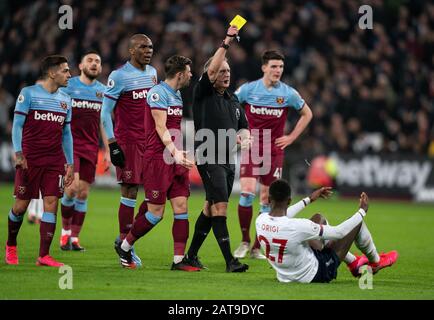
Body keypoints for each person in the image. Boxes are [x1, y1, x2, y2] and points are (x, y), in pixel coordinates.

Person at [115, 55, 199, 271]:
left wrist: (179, 152)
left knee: (181, 207)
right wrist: (174, 151)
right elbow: (161, 127)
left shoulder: (177, 94)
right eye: (189, 72)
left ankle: (179, 261)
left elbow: (172, 128)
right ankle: (125, 246)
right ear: (180, 74)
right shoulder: (157, 93)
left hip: (175, 158)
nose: (191, 75)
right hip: (157, 159)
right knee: (156, 214)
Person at [233, 50, 313, 260]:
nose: (278, 71)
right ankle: (244, 241)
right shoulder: (249, 90)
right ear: (264, 68)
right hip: (252, 146)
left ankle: (257, 247)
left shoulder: (288, 93)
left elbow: (307, 114)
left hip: (274, 149)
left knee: (267, 200)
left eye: (281, 67)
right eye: (274, 66)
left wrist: (292, 137)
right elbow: (229, 106)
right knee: (246, 193)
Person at [184, 25, 251, 273]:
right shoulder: (203, 92)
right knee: (221, 207)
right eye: (221, 71)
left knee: (210, 208)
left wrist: (244, 138)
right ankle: (229, 262)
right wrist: (227, 41)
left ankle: (191, 255)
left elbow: (244, 127)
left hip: (227, 159)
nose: (225, 74)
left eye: (228, 71)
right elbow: (212, 68)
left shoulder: (233, 100)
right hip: (208, 156)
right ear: (211, 75)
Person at [256, 179, 399, 283]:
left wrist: (309, 199)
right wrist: (362, 211)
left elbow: (284, 216)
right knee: (356, 224)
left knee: (318, 218)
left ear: (269, 199)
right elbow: (339, 233)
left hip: (285, 275)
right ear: (289, 201)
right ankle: (376, 262)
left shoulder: (260, 220)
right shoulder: (298, 226)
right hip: (318, 273)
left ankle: (354, 262)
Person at [5, 55, 74, 267]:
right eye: (65, 70)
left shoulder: (66, 99)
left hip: (54, 161)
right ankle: (11, 244)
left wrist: (70, 163)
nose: (69, 74)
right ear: (52, 73)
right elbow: (17, 126)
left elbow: (66, 133)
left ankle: (43, 255)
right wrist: (19, 154)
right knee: (20, 207)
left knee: (52, 204)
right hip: (30, 160)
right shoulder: (29, 94)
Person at [101, 34, 157, 266]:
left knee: (157, 191)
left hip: (151, 141)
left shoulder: (153, 73)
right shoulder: (119, 76)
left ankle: (126, 239)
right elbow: (105, 113)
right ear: (131, 50)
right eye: (143, 47)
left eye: (151, 47)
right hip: (129, 142)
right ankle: (125, 246)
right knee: (130, 191)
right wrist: (112, 144)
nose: (148, 50)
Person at [59, 50, 107, 251]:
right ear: (80, 66)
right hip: (70, 146)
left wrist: (109, 148)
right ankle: (65, 234)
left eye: (97, 61)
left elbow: (104, 122)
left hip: (91, 147)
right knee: (72, 187)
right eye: (90, 60)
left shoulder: (103, 91)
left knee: (83, 193)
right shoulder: (69, 86)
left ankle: (75, 238)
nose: (94, 63)